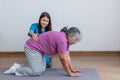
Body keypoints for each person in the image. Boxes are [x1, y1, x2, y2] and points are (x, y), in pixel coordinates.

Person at [4, 27, 82, 77]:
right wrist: (69, 73)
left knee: (42, 68)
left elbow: (67, 56)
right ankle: (15, 70)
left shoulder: (66, 40)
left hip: (40, 49)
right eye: (75, 40)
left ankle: (17, 66)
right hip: (32, 47)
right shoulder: (62, 40)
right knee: (36, 71)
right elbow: (63, 60)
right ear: (69, 35)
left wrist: (72, 69)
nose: (75, 42)